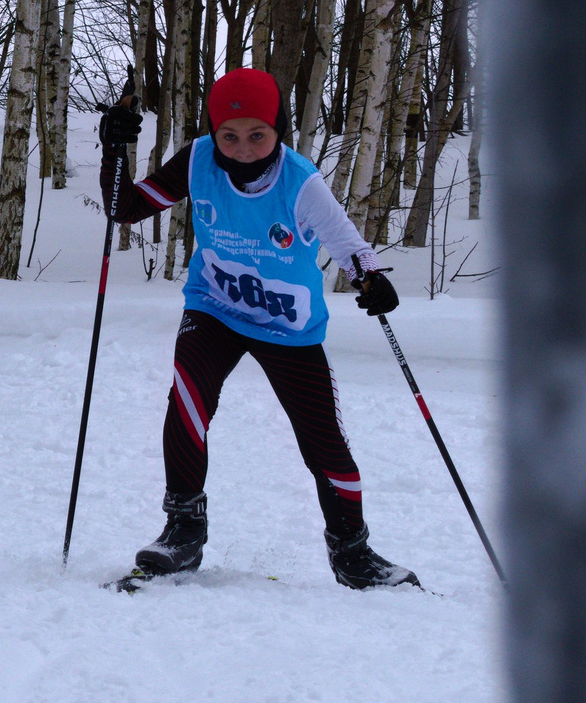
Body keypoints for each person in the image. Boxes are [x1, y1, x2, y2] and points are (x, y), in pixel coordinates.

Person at [96, 67, 418, 589]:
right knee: (187, 403)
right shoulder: (199, 160)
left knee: (323, 441)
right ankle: (183, 533)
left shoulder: (300, 182)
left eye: (257, 135)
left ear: (278, 130)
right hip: (215, 309)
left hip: (288, 326)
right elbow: (126, 208)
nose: (243, 149)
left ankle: (353, 553)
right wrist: (114, 149)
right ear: (213, 132)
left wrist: (372, 278)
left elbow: (348, 244)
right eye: (229, 136)